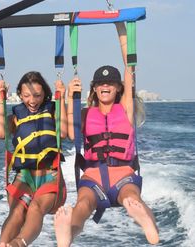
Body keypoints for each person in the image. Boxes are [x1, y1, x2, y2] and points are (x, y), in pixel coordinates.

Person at [54, 23, 159, 246]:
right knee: (82, 206)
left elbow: (130, 67)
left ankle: (147, 223)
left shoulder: (127, 109)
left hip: (123, 173)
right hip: (92, 175)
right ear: (93, 88)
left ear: (118, 88)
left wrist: (122, 28)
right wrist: (67, 97)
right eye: (100, 83)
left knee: (132, 198)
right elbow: (69, 132)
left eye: (110, 83)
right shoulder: (84, 113)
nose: (105, 86)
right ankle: (67, 235)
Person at [0, 71, 68, 247]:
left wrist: (62, 99)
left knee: (35, 208)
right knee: (17, 211)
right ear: (20, 94)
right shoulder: (15, 118)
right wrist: (0, 100)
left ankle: (19, 243)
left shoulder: (53, 111)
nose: (33, 101)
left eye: (37, 95)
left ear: (45, 94)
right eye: (27, 96)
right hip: (24, 176)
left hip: (50, 175)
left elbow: (64, 133)